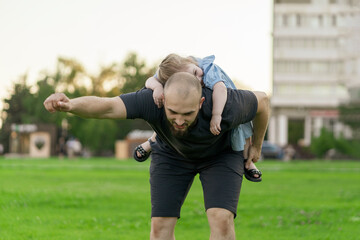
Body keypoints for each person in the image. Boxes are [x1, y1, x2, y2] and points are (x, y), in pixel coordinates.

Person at [43, 72, 270, 240]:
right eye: (173, 112)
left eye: (188, 113)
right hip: (171, 154)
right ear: (163, 101)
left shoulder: (227, 104)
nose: (179, 120)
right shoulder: (152, 101)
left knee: (221, 220)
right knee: (160, 227)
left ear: (201, 103)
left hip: (220, 156)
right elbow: (108, 106)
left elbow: (263, 102)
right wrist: (70, 105)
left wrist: (257, 146)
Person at [134, 54, 262, 182]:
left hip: (225, 101)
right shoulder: (171, 71)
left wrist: (216, 115)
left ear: (191, 62)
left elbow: (220, 89)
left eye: (196, 73)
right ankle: (151, 142)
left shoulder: (208, 69)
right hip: (194, 103)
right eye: (193, 78)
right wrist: (157, 87)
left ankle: (247, 160)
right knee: (170, 114)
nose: (199, 79)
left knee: (242, 125)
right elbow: (151, 79)